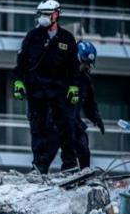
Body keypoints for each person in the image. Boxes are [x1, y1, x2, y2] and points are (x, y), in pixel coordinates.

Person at [12, 0, 80, 174]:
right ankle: (39, 165)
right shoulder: (32, 36)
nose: (44, 18)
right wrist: (18, 82)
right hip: (36, 91)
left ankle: (70, 164)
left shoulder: (67, 38)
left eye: (48, 14)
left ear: (57, 15)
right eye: (42, 14)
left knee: (66, 126)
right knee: (38, 128)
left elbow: (73, 66)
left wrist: (74, 87)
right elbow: (21, 62)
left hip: (59, 92)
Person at [44, 40, 105, 169]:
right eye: (84, 63)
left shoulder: (85, 80)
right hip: (55, 119)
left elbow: (89, 103)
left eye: (88, 65)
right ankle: (40, 173)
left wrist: (96, 118)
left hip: (73, 120)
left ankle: (84, 173)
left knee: (83, 149)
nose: (86, 67)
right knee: (49, 151)